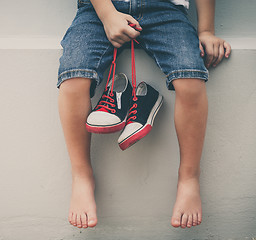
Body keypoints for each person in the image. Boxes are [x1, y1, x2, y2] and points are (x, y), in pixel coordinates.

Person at [57, 0, 231, 229]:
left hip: (165, 10)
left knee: (191, 79)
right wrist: (107, 14)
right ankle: (81, 176)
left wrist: (206, 30)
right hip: (99, 9)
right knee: (73, 77)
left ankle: (189, 178)